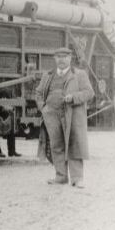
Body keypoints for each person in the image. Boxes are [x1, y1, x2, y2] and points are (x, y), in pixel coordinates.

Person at [34, 47, 93, 188]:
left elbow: (89, 92)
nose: (61, 59)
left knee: (74, 143)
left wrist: (73, 97)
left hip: (72, 115)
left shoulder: (79, 75)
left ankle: (77, 178)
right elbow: (39, 93)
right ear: (54, 59)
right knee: (56, 145)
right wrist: (44, 109)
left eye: (64, 56)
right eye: (58, 56)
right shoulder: (47, 75)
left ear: (70, 58)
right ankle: (60, 177)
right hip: (51, 115)